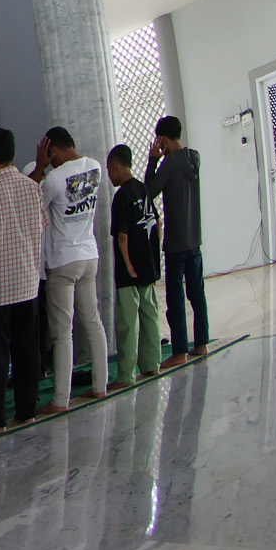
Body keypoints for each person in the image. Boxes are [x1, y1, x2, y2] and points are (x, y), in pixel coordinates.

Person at [0, 128, 45, 435]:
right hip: (28, 281)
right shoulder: (33, 188)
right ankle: (28, 411)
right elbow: (41, 229)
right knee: (28, 349)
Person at [34, 127, 109, 411]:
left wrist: (40, 167)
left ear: (51, 150)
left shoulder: (53, 179)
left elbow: (32, 202)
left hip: (64, 260)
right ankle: (100, 386)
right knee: (93, 322)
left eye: (48, 154)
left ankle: (60, 400)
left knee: (63, 333)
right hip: (90, 254)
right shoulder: (95, 167)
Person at [144, 116, 209, 365]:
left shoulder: (169, 163)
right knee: (197, 294)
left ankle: (180, 351)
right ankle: (201, 343)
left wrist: (153, 160)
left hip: (175, 243)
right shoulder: (195, 157)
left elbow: (149, 192)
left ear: (162, 138)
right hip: (195, 239)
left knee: (175, 300)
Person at [107, 144, 163, 385]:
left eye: (110, 170)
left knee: (128, 323)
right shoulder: (143, 188)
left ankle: (126, 374)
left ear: (117, 166)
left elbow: (122, 236)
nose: (110, 176)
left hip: (129, 271)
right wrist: (152, 256)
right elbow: (157, 224)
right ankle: (152, 365)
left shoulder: (121, 196)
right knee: (150, 315)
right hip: (148, 264)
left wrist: (128, 265)